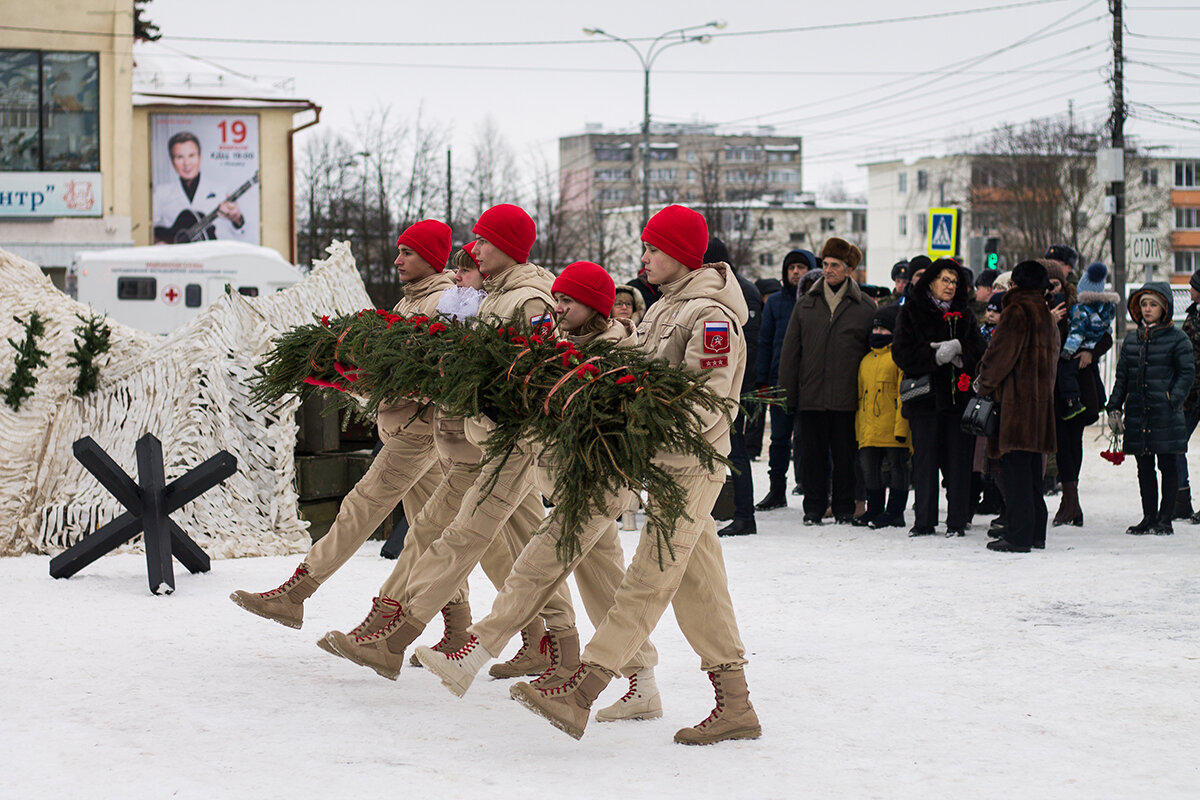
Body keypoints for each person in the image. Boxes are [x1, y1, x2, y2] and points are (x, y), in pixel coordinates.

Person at [508, 205, 760, 746]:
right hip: (660, 464)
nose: (642, 258)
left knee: (648, 578)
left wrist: (635, 419)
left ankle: (582, 690)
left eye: (652, 248)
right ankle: (736, 706)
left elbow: (707, 403)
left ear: (681, 253)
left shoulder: (710, 316)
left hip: (690, 466)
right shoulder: (667, 308)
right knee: (699, 587)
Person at [321, 203, 580, 682]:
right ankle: (546, 645)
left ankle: (394, 636)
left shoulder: (528, 301)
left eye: (482, 241)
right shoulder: (492, 295)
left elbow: (538, 374)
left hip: (508, 444)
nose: (475, 250)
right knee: (470, 540)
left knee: (484, 544)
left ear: (504, 245)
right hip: (478, 441)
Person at [414, 260, 663, 721]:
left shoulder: (615, 358)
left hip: (598, 486)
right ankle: (643, 684)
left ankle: (473, 654)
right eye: (559, 298)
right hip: (568, 482)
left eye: (569, 300)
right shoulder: (558, 349)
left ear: (596, 306)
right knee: (604, 586)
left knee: (533, 566)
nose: (559, 306)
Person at [230, 220, 456, 631]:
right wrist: (348, 376)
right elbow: (395, 374)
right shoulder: (409, 303)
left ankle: (297, 593)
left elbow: (430, 379)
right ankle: (459, 625)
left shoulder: (439, 302)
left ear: (430, 257)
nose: (397, 259)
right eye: (400, 250)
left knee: (360, 506)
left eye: (407, 252)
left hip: (418, 433)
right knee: (429, 531)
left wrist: (367, 379)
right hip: (404, 427)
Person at [778, 237, 876, 525]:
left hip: (848, 398)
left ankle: (844, 506)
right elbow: (791, 352)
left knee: (846, 456)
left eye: (834, 265)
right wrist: (788, 394)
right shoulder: (806, 304)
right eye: (825, 264)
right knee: (811, 457)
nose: (828, 270)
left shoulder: (864, 307)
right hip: (812, 395)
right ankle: (814, 506)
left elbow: (872, 355)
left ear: (849, 270)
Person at [891, 258, 986, 537]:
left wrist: (960, 349)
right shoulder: (911, 312)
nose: (950, 286)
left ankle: (956, 521)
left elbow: (979, 351)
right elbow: (901, 353)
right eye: (945, 280)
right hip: (924, 399)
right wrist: (933, 356)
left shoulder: (964, 313)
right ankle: (924, 521)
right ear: (931, 282)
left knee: (958, 462)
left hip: (958, 400)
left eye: (955, 281)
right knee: (925, 462)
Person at [974, 260, 1061, 553]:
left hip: (1015, 406)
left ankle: (1018, 535)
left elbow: (1000, 357)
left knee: (1015, 473)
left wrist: (982, 384)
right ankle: (1035, 532)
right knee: (1031, 473)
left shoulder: (1016, 312)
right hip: (1039, 405)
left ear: (1015, 285)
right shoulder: (1046, 316)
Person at [1107, 283, 1195, 535]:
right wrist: (1114, 405)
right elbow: (1122, 376)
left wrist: (1172, 399)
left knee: (1167, 465)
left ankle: (1165, 518)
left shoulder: (1178, 338)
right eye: (1144, 304)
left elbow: (1186, 373)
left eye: (1153, 304)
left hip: (1165, 412)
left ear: (1164, 308)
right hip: (1138, 411)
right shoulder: (1133, 339)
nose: (1147, 309)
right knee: (1143, 467)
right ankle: (1149, 516)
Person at [704, 238, 762, 537]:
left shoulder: (737, 291)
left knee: (736, 454)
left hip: (739, 387)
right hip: (736, 385)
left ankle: (745, 515)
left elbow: (748, 345)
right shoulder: (732, 288)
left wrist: (741, 388)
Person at [754, 249, 818, 511]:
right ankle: (776, 490)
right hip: (779, 382)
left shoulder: (819, 300)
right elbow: (765, 342)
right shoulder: (775, 302)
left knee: (814, 440)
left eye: (801, 267)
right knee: (779, 440)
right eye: (791, 267)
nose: (796, 272)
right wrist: (762, 380)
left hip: (812, 382)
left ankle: (817, 491)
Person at [853, 303, 910, 528]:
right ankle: (875, 509)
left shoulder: (898, 358)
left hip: (892, 428)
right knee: (870, 469)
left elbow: (902, 396)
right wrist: (859, 430)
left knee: (897, 469)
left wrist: (901, 430)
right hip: (869, 429)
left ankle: (895, 512)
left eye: (884, 329)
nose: (878, 333)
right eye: (875, 329)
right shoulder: (865, 361)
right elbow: (860, 399)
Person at [153, 131, 250, 243]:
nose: (186, 163)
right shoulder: (160, 193)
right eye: (180, 157)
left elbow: (240, 234)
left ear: (200, 157)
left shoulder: (220, 191)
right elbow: (150, 230)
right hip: (176, 259)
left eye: (191, 155)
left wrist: (237, 219)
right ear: (172, 162)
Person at [1057, 262, 1118, 422]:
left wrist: (1066, 353)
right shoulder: (1106, 308)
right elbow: (1107, 331)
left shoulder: (1080, 310)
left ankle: (1072, 401)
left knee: (1066, 372)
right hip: (1091, 345)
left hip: (1077, 348)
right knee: (1095, 373)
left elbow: (1076, 334)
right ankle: (1101, 400)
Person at [1177, 270, 1200, 521]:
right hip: (1191, 394)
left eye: (1193, 285)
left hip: (1194, 391)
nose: (1189, 289)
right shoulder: (1192, 315)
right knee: (1177, 444)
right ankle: (1181, 500)